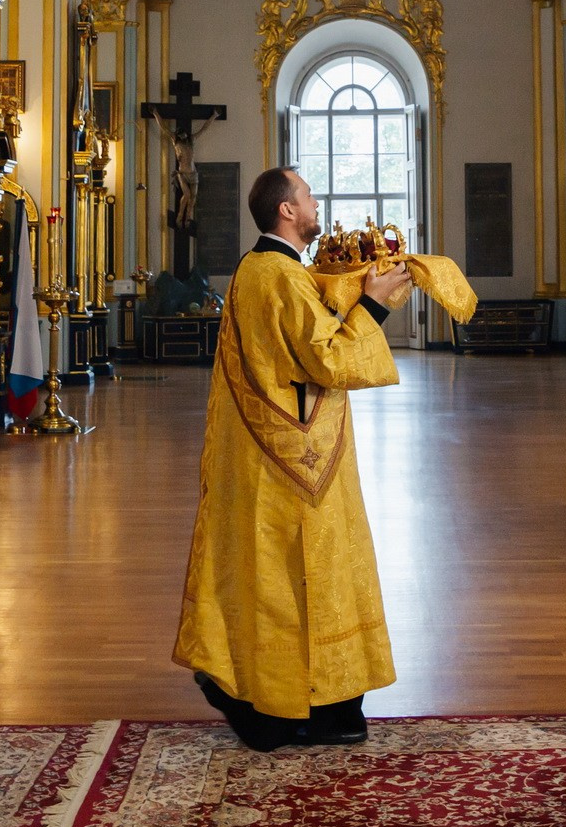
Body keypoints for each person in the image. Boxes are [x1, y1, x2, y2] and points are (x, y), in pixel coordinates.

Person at [175, 165, 415, 751]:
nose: (314, 202)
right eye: (306, 195)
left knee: (314, 573)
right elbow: (327, 359)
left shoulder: (269, 271)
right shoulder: (277, 275)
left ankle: (331, 708)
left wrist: (355, 289)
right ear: (286, 210)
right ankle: (271, 712)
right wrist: (376, 306)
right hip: (292, 458)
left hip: (295, 451)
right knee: (297, 577)